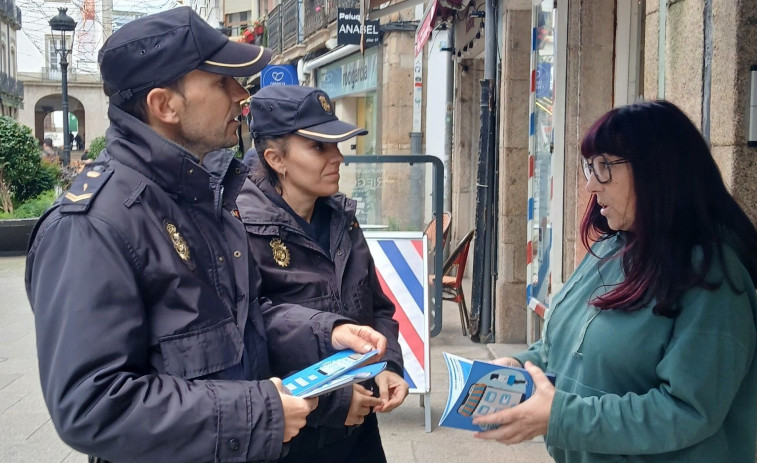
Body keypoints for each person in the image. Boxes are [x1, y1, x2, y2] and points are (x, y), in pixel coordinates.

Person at [25, 8, 388, 463]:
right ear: (165, 106)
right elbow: (92, 404)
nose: (241, 95)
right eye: (220, 81)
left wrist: (326, 334)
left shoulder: (201, 199)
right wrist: (258, 412)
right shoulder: (92, 224)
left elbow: (247, 324)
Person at [473, 100, 757, 462]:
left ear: (658, 170)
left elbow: (687, 412)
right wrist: (523, 366)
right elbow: (561, 349)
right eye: (590, 166)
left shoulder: (711, 278)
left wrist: (563, 416)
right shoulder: (612, 249)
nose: (591, 184)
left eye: (605, 167)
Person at [237, 85, 410, 463]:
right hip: (291, 441)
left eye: (337, 145)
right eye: (319, 147)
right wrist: (332, 403)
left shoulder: (341, 220)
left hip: (358, 434)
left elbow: (375, 307)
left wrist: (388, 367)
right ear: (275, 159)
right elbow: (251, 342)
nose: (338, 158)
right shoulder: (239, 228)